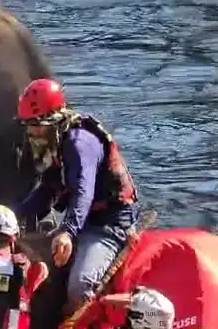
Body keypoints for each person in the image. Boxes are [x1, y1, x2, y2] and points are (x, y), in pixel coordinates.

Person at [14, 78, 141, 312]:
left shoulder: (79, 143)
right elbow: (49, 189)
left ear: (53, 120)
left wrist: (68, 232)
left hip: (108, 223)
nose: (31, 131)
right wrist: (12, 215)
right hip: (83, 218)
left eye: (36, 124)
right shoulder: (52, 141)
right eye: (28, 125)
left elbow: (84, 192)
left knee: (79, 287)